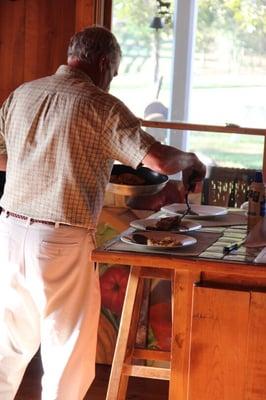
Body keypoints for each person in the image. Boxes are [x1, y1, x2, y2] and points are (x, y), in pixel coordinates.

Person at [0, 26, 206, 400]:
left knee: (7, 350)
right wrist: (191, 159)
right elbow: (158, 160)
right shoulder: (100, 104)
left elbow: (1, 156)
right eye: (112, 73)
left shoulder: (23, 94)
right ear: (104, 63)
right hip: (61, 239)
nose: (111, 81)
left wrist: (35, 165)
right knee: (67, 357)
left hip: (10, 232)